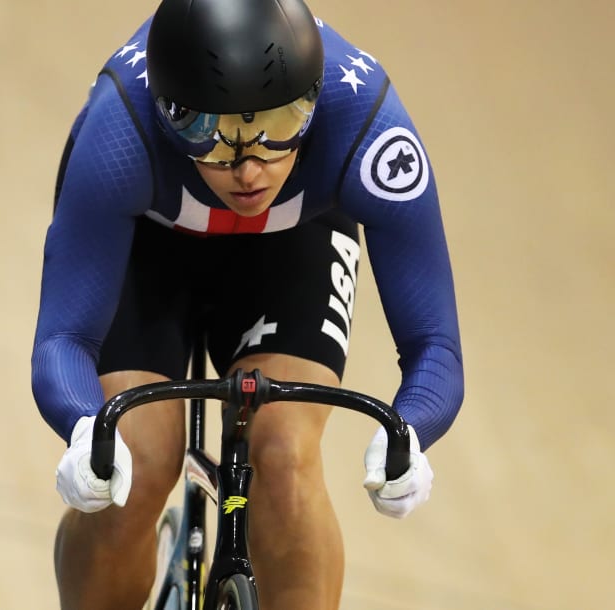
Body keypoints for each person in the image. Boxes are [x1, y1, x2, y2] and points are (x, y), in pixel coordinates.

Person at [30, 0, 464, 607]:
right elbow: (63, 340)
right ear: (169, 114)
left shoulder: (367, 127)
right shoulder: (118, 132)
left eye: (281, 123)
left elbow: (434, 345)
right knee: (137, 460)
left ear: (314, 100)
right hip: (148, 243)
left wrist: (411, 432)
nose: (250, 168)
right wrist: (83, 428)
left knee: (284, 455)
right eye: (214, 134)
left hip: (293, 243)